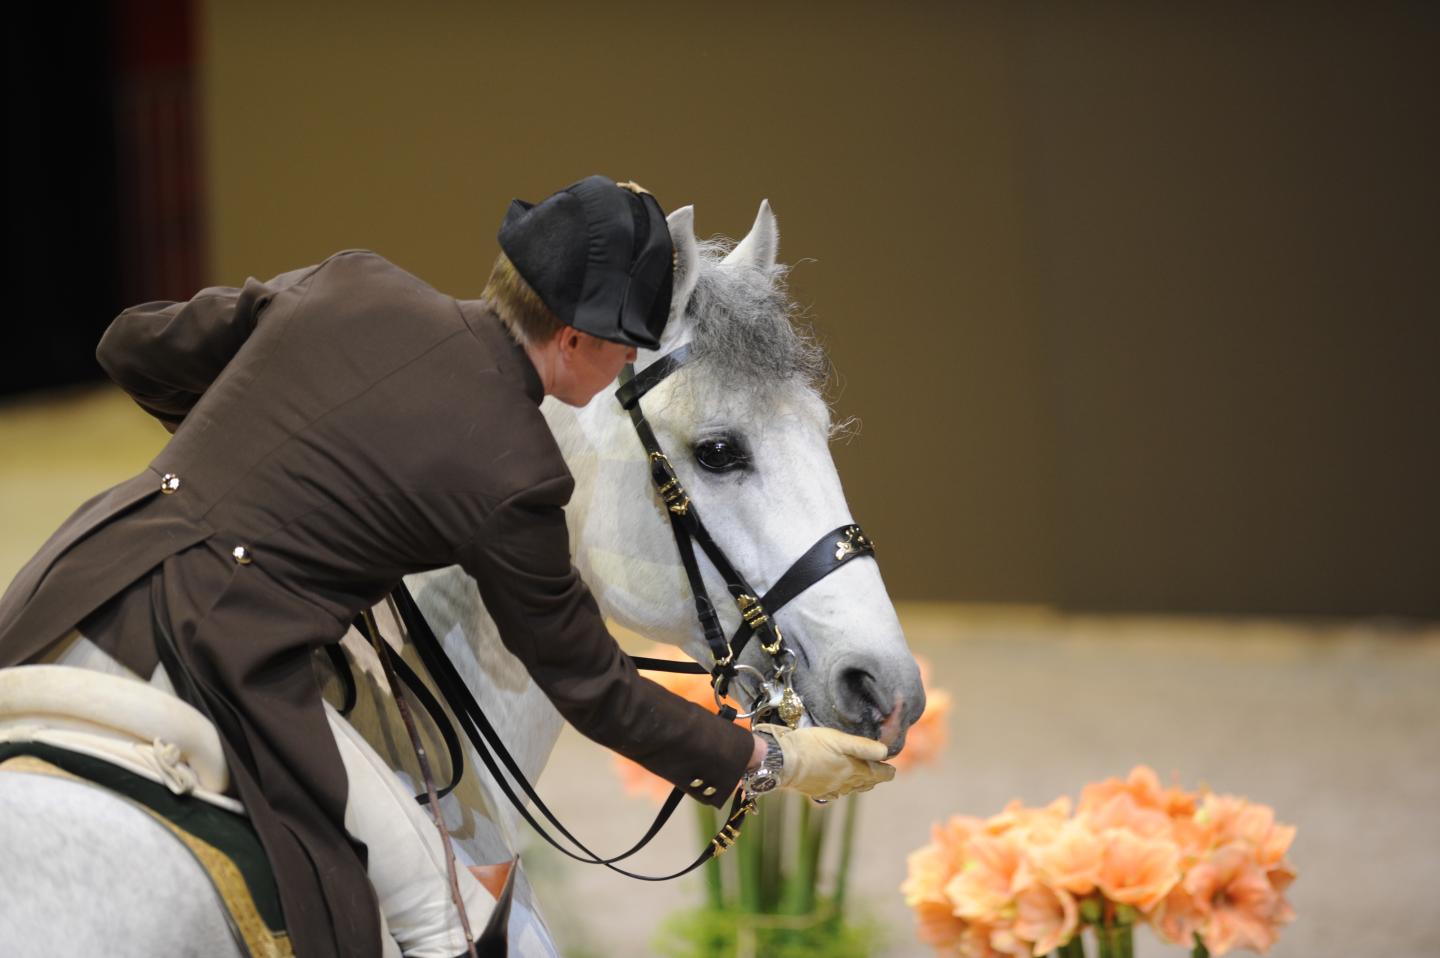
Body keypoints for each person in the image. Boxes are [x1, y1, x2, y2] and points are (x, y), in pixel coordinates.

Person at [0, 175, 894, 957]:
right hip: (227, 648)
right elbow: (593, 690)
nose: (627, 362)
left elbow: (131, 342)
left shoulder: (353, 278)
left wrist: (250, 466)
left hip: (78, 576)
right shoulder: (517, 473)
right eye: (626, 346)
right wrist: (772, 758)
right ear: (576, 340)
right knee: (439, 912)